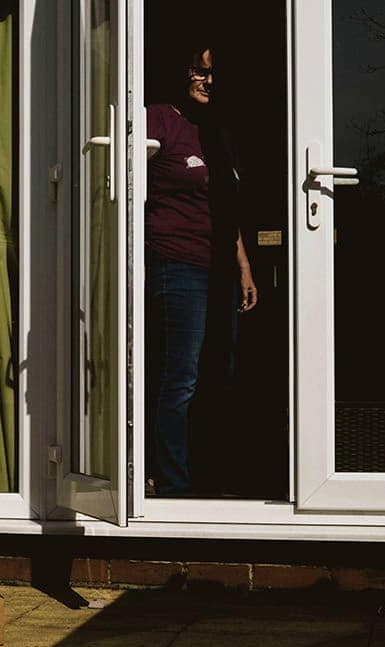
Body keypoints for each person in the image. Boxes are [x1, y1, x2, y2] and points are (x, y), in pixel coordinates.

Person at [145, 42, 257, 497]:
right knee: (181, 376)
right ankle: (171, 483)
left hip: (219, 270)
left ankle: (208, 477)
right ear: (181, 72)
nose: (209, 81)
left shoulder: (218, 133)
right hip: (177, 263)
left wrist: (244, 268)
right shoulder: (159, 118)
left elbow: (227, 210)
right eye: (199, 72)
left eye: (214, 73)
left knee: (220, 374)